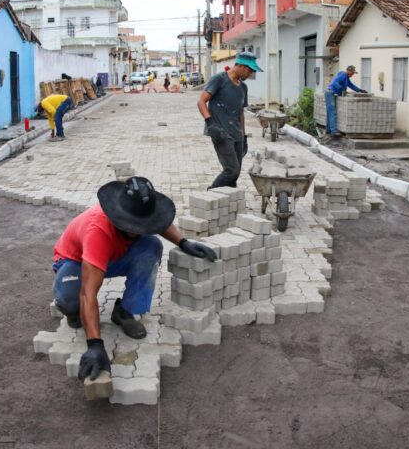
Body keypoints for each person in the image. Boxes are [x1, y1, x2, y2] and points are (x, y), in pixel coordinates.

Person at [52, 177, 217, 381]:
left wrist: (183, 243)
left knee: (151, 246)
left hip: (114, 256)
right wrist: (95, 344)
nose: (138, 229)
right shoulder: (98, 231)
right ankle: (74, 311)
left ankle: (124, 312)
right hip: (75, 261)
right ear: (119, 216)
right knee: (72, 301)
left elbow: (157, 222)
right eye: (134, 225)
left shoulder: (139, 214)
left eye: (142, 225)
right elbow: (89, 292)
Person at [197, 51, 261, 189]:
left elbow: (241, 113)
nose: (250, 75)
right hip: (220, 132)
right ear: (242, 66)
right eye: (250, 71)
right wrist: (210, 124)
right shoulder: (219, 79)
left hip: (237, 134)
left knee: (234, 175)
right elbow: (201, 101)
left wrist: (243, 136)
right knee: (231, 170)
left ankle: (229, 202)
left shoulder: (243, 87)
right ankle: (210, 195)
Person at [325, 65, 367, 137]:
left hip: (331, 94)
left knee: (330, 112)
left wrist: (359, 90)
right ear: (348, 71)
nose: (353, 74)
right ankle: (333, 132)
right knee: (332, 112)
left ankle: (328, 130)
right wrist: (341, 89)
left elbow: (351, 85)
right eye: (352, 73)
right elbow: (335, 82)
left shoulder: (346, 78)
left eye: (353, 73)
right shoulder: (343, 75)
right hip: (330, 93)